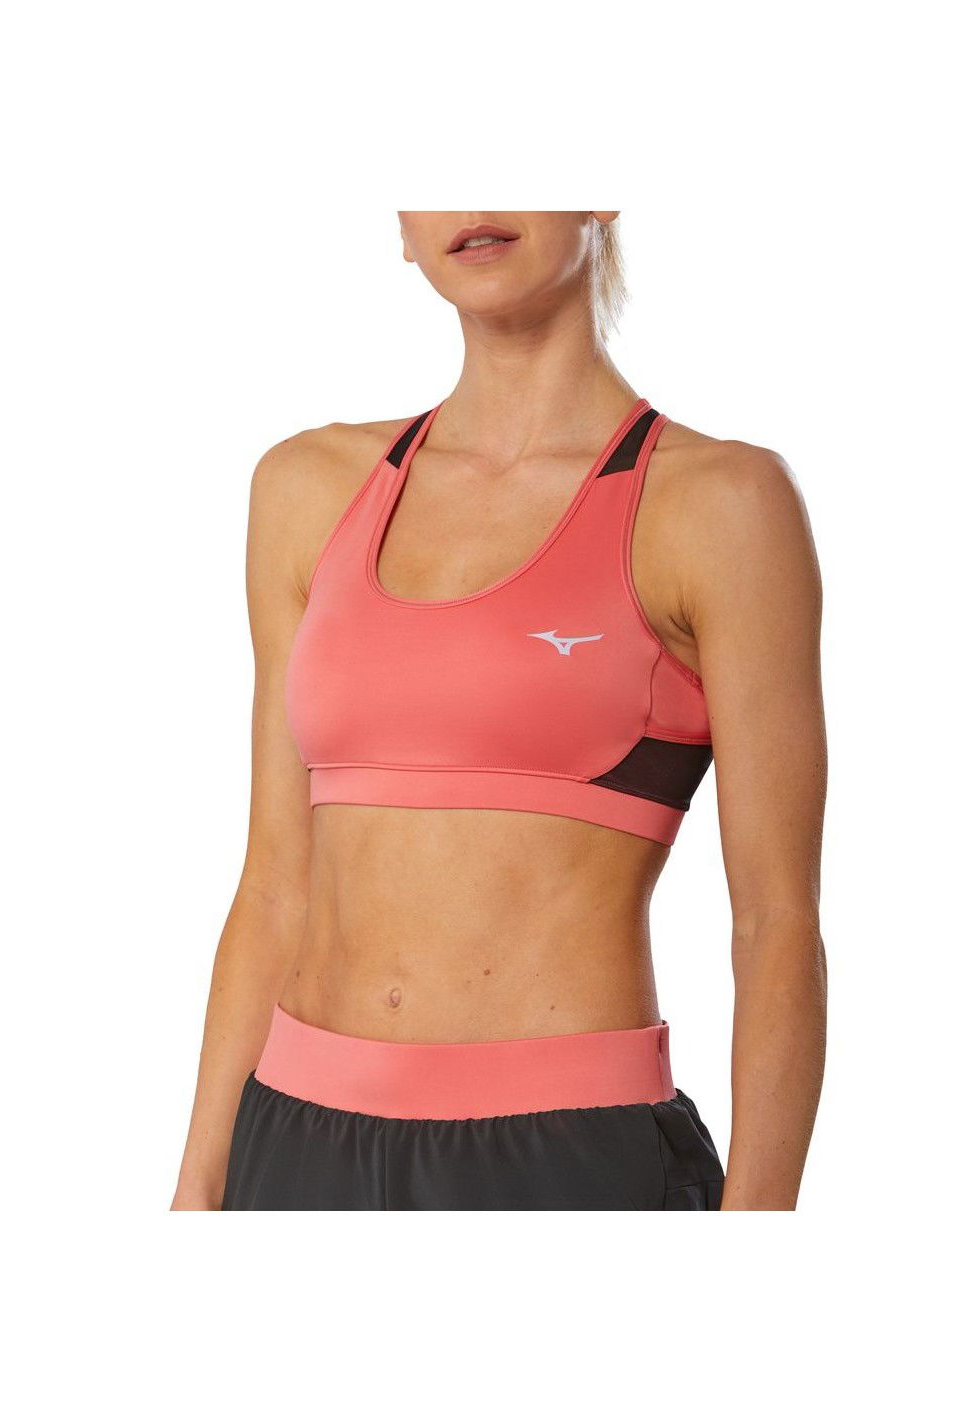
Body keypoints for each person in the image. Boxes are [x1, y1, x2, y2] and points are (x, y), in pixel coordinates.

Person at [171, 211, 827, 1211]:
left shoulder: (717, 502)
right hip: (294, 1132)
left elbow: (774, 923)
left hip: (562, 1152)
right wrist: (197, 1190)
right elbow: (271, 888)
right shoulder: (306, 488)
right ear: (401, 228)